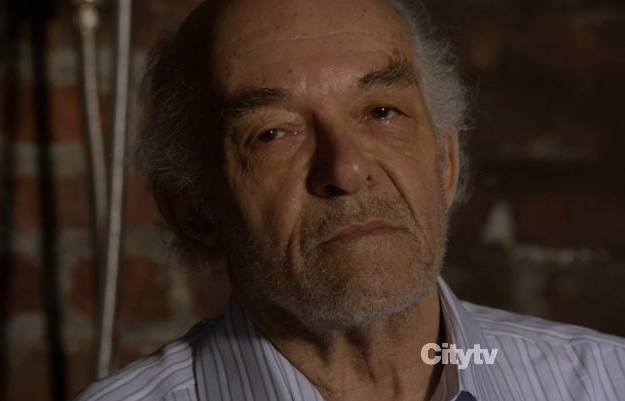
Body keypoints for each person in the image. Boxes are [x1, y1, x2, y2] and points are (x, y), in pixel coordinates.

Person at [73, 0, 625, 399]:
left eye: (382, 112)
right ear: (194, 215)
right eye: (273, 133)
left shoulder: (607, 381)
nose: (347, 169)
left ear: (445, 162)